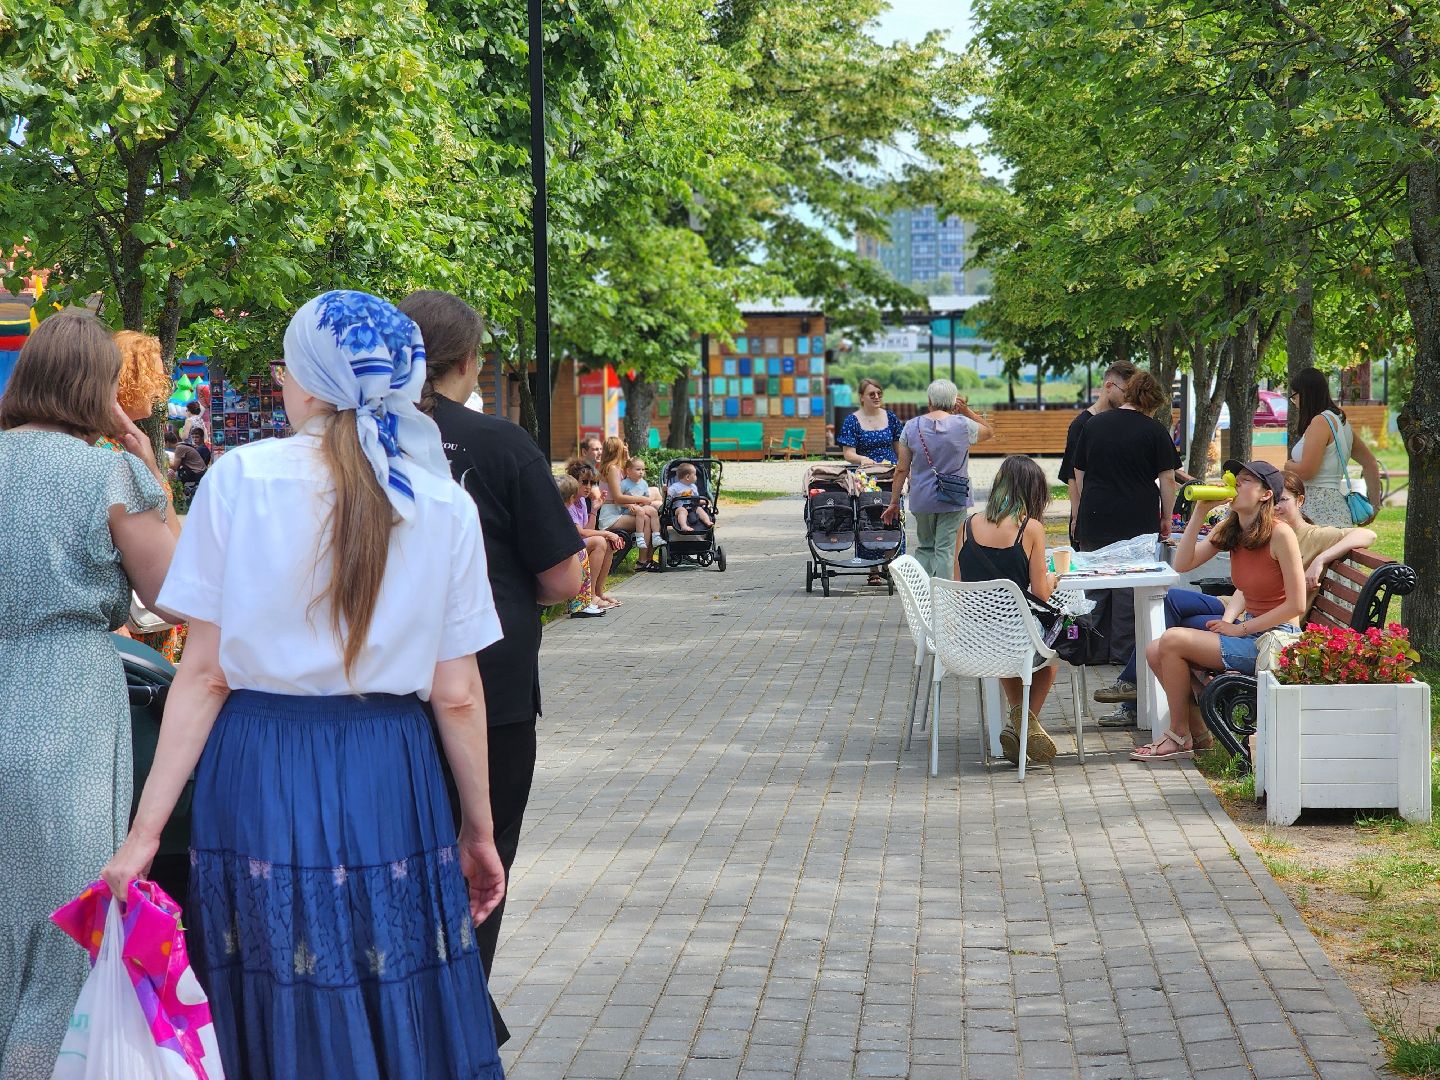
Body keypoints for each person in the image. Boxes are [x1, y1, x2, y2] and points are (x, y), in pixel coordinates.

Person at [102, 291, 509, 1079]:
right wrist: (479, 833)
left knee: (274, 976)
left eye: (286, 369)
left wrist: (144, 834)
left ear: (313, 382)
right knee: (389, 970)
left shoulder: (240, 480)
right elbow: (458, 693)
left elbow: (204, 673)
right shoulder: (440, 501)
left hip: (260, 764)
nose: (280, 382)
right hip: (389, 768)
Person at [400, 289, 582, 1046]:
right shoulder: (503, 444)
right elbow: (563, 578)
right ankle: (460, 1022)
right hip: (493, 685)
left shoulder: (359, 438)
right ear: (469, 360)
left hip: (384, 691)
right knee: (482, 862)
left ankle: (413, 1020)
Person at [0, 312, 177, 1077]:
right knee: (67, 924)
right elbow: (175, 594)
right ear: (97, 388)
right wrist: (152, 475)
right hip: (68, 701)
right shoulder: (109, 475)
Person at [1135, 459, 1305, 762]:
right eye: (1235, 479)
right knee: (1154, 650)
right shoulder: (1232, 529)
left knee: (1172, 640)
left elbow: (1296, 604)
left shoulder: (1281, 534)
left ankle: (1178, 735)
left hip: (1277, 641)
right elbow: (1182, 564)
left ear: (1266, 494)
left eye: (1245, 481)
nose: (1235, 484)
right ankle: (1200, 735)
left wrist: (1239, 628)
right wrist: (1200, 511)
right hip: (1251, 634)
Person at [956, 455, 1062, 766]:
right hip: (1011, 637)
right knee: (1052, 656)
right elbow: (1040, 593)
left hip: (970, 637)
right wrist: (1053, 579)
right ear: (1033, 492)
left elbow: (958, 585)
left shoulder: (967, 525)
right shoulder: (1030, 528)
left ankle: (1017, 725)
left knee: (1008, 645)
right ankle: (1022, 725)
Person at [882, 379, 992, 578]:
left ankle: (921, 592)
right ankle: (944, 594)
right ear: (953, 401)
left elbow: (901, 469)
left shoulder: (911, 426)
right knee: (946, 549)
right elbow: (989, 431)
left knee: (925, 547)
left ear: (929, 400)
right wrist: (966, 411)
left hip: (922, 497)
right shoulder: (963, 425)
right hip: (954, 496)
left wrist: (894, 502)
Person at [1073, 369, 1179, 551]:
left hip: (1095, 519)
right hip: (1138, 521)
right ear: (1151, 403)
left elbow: (1079, 469)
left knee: (1094, 568)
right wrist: (1167, 518)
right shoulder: (1156, 431)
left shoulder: (1093, 424)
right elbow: (1168, 479)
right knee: (1137, 569)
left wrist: (1089, 499)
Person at [1288, 366, 1381, 528]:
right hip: (1337, 508)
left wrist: (1287, 465)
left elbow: (1307, 472)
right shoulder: (1341, 422)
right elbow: (1371, 463)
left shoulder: (1320, 422)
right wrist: (1374, 505)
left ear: (1305, 394)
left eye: (1294, 396)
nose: (1294, 403)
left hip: (1316, 509)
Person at [1059, 360, 1135, 544]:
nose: (1129, 399)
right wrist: (1077, 517)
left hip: (1121, 516)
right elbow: (1072, 476)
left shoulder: (1126, 423)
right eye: (1126, 393)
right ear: (1109, 386)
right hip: (1091, 517)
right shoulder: (1081, 425)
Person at [598, 436, 663, 570]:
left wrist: (627, 456)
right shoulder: (612, 469)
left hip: (618, 510)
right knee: (646, 519)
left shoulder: (615, 467)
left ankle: (646, 560)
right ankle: (643, 561)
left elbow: (632, 470)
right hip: (611, 515)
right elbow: (618, 498)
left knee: (649, 515)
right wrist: (643, 499)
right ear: (617, 449)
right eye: (622, 447)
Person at [557, 475, 613, 618]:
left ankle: (590, 598)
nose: (589, 487)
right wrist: (606, 533)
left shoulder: (579, 502)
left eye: (591, 483)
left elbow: (587, 531)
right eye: (585, 482)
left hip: (565, 546)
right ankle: (581, 604)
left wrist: (594, 509)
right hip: (559, 550)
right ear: (571, 497)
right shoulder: (565, 509)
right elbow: (581, 533)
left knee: (587, 548)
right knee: (581, 551)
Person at [838, 377, 905, 468]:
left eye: (879, 393)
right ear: (862, 397)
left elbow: (899, 450)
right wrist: (862, 459)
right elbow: (848, 453)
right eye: (872, 394)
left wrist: (905, 468)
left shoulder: (891, 417)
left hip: (891, 470)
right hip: (865, 472)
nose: (876, 397)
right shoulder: (851, 421)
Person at [667, 462, 714, 532]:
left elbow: (696, 499)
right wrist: (666, 491)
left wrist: (702, 501)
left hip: (692, 507)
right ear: (688, 477)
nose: (696, 477)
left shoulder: (693, 487)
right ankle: (684, 526)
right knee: (682, 511)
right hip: (678, 508)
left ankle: (707, 521)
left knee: (699, 509)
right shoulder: (675, 487)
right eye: (694, 475)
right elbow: (668, 496)